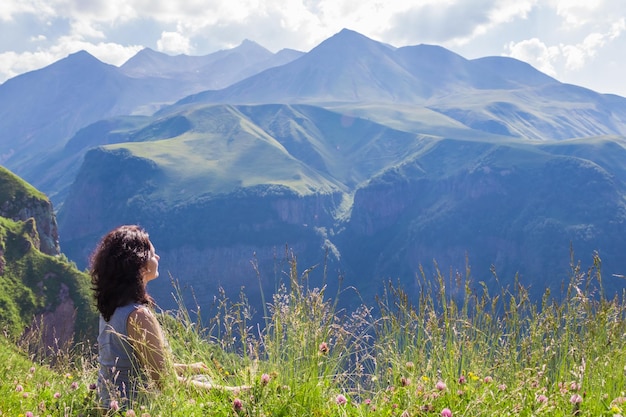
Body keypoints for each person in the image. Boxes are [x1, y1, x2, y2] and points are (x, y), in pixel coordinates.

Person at [90, 225, 244, 409]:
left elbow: (136, 365)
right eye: (152, 254)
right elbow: (166, 383)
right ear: (138, 264)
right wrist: (235, 391)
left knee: (199, 376)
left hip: (108, 406)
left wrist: (187, 367)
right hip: (134, 409)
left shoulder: (112, 306)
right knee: (209, 390)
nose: (158, 257)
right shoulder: (138, 316)